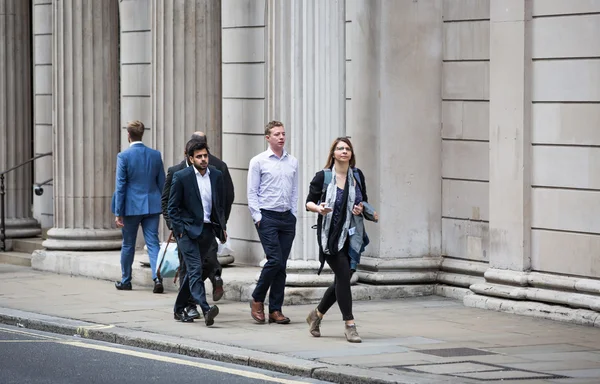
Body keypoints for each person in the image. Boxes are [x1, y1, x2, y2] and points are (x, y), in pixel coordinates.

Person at [304, 137, 379, 343]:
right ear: (334, 154)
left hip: (352, 236)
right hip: (330, 237)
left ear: (351, 154)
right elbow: (308, 202)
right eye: (340, 149)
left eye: (347, 149)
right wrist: (319, 208)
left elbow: (362, 200)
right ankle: (350, 325)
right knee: (344, 277)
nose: (344, 151)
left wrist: (360, 208)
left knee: (341, 280)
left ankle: (316, 315)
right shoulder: (323, 177)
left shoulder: (357, 176)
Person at [167, 141, 225, 325]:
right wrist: (180, 231)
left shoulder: (216, 175)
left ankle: (178, 308)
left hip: (207, 230)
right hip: (187, 232)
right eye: (199, 156)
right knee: (193, 268)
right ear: (191, 159)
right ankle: (205, 308)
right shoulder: (181, 176)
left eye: (205, 156)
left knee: (196, 270)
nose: (203, 159)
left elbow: (219, 204)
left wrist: (221, 227)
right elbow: (172, 207)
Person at [247, 121, 298, 324]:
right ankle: (257, 298)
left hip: (287, 218)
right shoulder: (258, 161)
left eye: (283, 133)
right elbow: (252, 191)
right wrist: (257, 217)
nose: (281, 137)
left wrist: (293, 213)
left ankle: (275, 309)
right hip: (267, 217)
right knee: (274, 260)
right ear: (267, 137)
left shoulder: (292, 161)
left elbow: (294, 190)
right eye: (277, 134)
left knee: (281, 265)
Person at [111, 120, 166, 293]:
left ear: (128, 135)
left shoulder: (124, 156)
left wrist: (118, 212)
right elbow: (162, 183)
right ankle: (158, 278)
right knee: (153, 242)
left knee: (128, 244)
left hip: (131, 207)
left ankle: (126, 280)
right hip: (152, 205)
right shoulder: (155, 155)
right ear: (142, 134)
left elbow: (120, 186)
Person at [191, 131, 235, 223]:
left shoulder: (219, 166)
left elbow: (228, 194)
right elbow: (229, 195)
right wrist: (223, 220)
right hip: (213, 221)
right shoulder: (221, 165)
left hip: (200, 223)